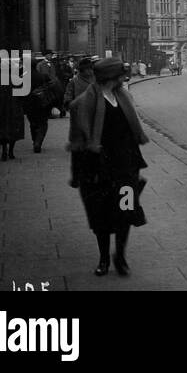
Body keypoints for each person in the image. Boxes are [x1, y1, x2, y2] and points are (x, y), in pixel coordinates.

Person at [68, 58, 149, 277]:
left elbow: (131, 134)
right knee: (101, 217)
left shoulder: (124, 97)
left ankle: (120, 256)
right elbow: (76, 142)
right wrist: (76, 175)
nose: (126, 76)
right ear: (111, 77)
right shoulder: (83, 104)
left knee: (125, 211)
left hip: (126, 169)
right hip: (98, 170)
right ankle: (104, 259)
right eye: (122, 74)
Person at [24, 58, 61, 153]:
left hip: (29, 104)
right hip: (43, 103)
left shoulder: (23, 77)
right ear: (36, 65)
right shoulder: (43, 76)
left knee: (33, 123)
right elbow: (53, 87)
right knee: (43, 123)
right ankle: (38, 142)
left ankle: (34, 140)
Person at [0, 69, 26, 161]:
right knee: (13, 128)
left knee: (2, 128)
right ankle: (11, 152)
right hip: (14, 107)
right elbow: (23, 93)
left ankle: (4, 150)